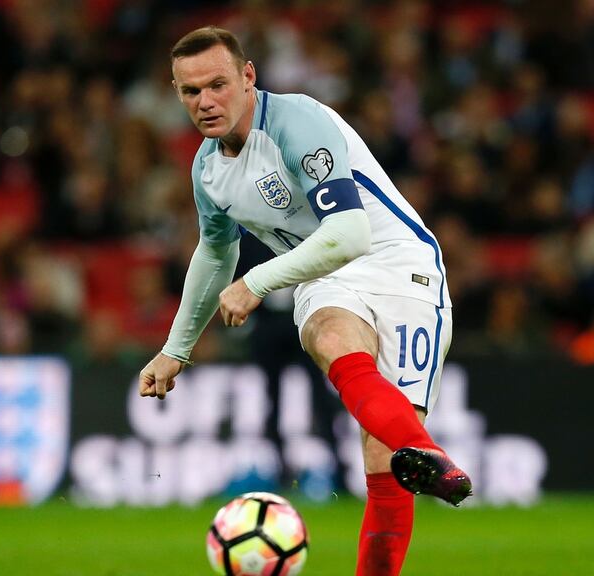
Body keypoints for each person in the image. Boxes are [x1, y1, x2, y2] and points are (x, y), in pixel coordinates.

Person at [138, 26, 472, 575]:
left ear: (248, 77)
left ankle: (417, 452)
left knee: (380, 454)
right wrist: (176, 348)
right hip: (325, 276)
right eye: (190, 91)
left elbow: (350, 234)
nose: (205, 102)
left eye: (217, 84)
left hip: (400, 265)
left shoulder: (295, 120)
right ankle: (430, 457)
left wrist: (258, 281)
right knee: (328, 336)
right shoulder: (207, 169)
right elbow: (214, 254)